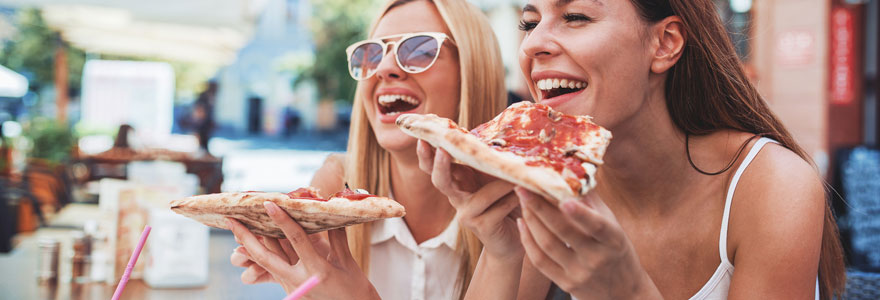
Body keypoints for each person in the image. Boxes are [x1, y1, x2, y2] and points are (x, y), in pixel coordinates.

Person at [418, 0, 846, 299]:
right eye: (530, 24)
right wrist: (501, 250)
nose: (532, 46)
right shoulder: (550, 181)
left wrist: (626, 291)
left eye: (576, 16)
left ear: (664, 43)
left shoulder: (773, 187)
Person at [225, 0, 551, 299]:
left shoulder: (524, 214)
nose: (384, 68)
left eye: (419, 49)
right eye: (371, 54)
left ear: (472, 72)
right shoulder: (334, 186)